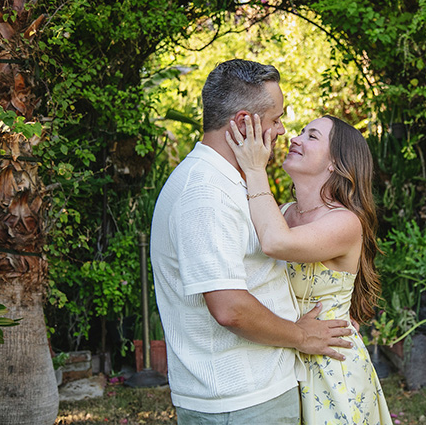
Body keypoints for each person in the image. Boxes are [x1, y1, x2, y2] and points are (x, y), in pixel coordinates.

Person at [150, 59, 355, 424]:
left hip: (257, 391)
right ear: (245, 123)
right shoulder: (206, 192)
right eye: (276, 120)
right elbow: (230, 308)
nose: (282, 131)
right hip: (240, 399)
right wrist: (301, 336)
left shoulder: (229, 182)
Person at [226, 113, 392, 424]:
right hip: (283, 359)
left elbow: (276, 243)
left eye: (312, 136)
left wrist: (255, 169)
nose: (295, 139)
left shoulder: (345, 222)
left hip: (332, 367)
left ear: (335, 163)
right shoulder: (282, 213)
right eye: (301, 132)